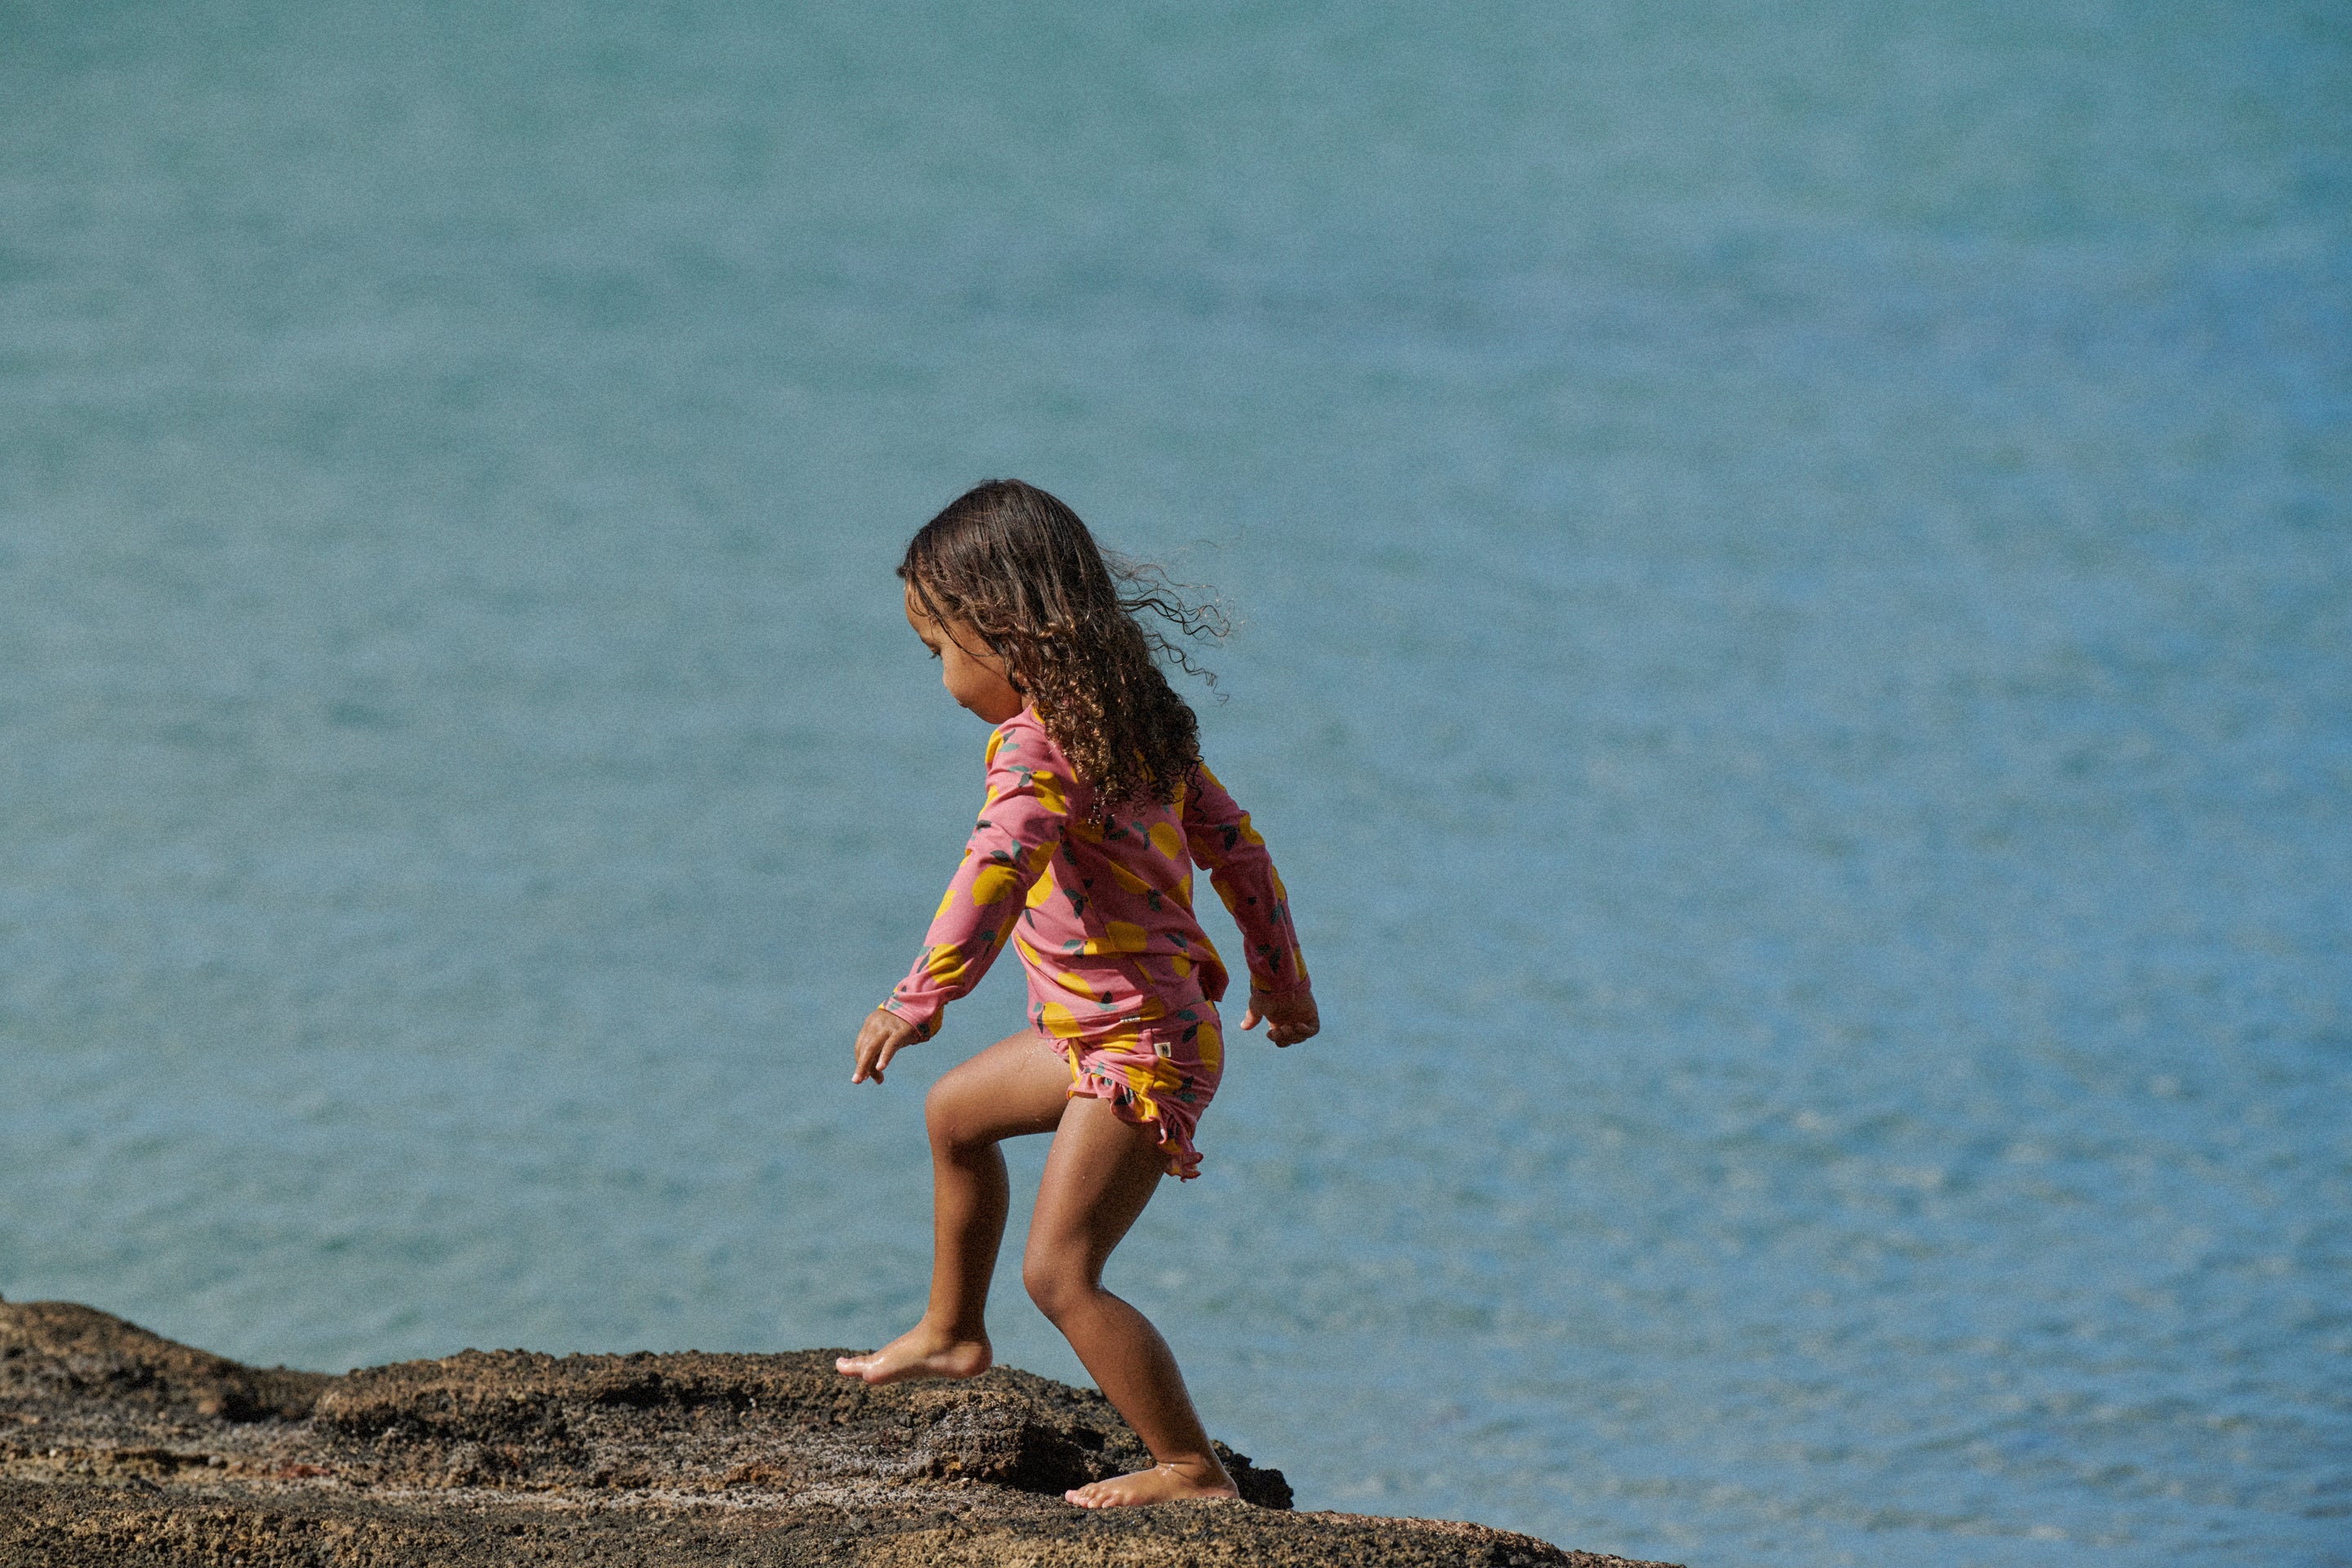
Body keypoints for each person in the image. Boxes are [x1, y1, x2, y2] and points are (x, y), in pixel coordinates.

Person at [835, 479, 1320, 1509]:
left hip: (1140, 1051)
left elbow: (993, 875)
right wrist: (1281, 979)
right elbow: (1241, 853)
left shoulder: (1039, 750)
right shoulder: (1137, 728)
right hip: (1102, 1031)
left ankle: (1194, 1471)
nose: (941, 677)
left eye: (938, 650)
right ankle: (952, 1333)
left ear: (1001, 632)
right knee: (955, 1116)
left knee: (1061, 1273)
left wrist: (915, 1000)